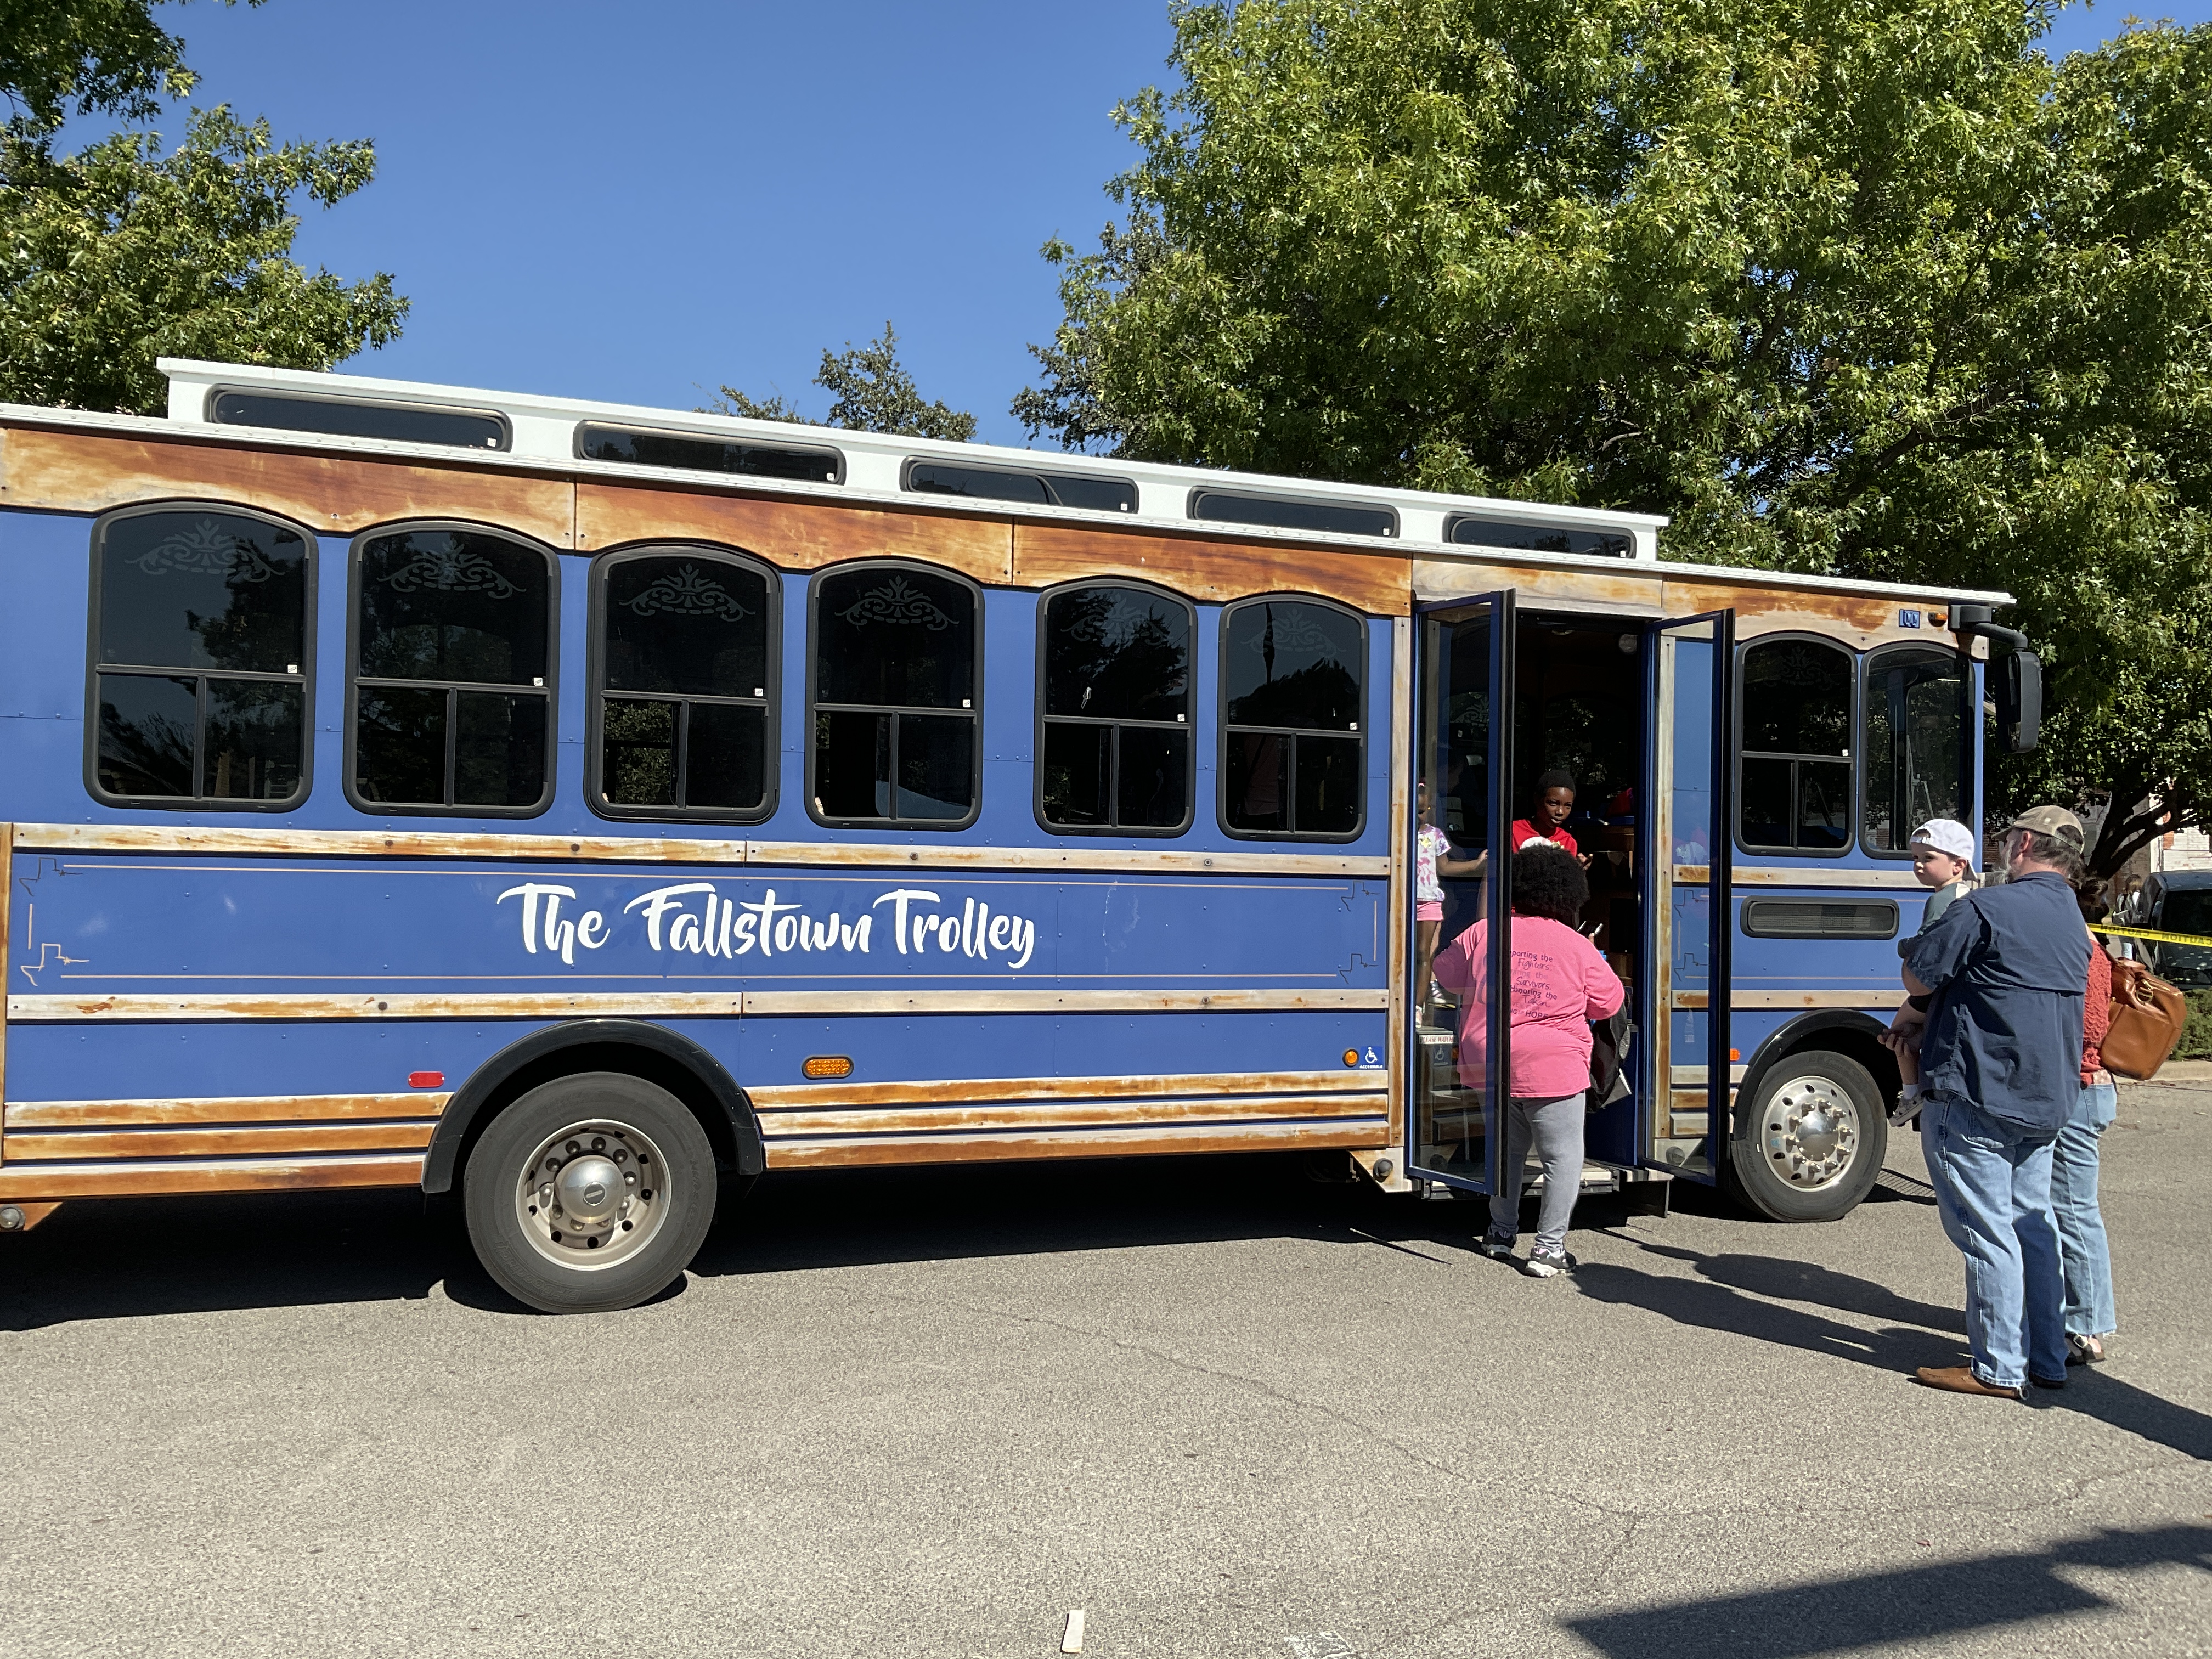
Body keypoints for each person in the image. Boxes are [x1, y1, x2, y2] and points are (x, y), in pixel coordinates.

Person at [1901, 805, 2091, 1400]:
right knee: (2033, 1225)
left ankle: (1998, 1368)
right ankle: (2047, 1357)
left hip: (1980, 1089)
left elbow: (1919, 979)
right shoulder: (2074, 919)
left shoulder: (1985, 907)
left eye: (2010, 838)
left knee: (1987, 1233)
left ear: (2026, 843)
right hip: (2045, 1097)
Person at [1433, 844, 1624, 1278]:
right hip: (1553, 1066)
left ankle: (1500, 1233)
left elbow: (1446, 974)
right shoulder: (1576, 946)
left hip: (1492, 1061)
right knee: (1562, 1157)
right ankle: (1548, 1249)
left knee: (1507, 1152)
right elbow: (1608, 1003)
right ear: (1570, 894)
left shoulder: (1486, 932)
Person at [2050, 874, 2118, 1367]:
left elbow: (2091, 1028)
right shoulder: (2080, 941)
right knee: (2061, 1210)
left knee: (2073, 1212)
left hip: (2081, 1088)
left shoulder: (2085, 949)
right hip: (2078, 1089)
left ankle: (2087, 1325)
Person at [1881, 818, 1979, 1123]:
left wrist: (1905, 946)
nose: (1919, 865)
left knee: (1895, 1033)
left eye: (1928, 858)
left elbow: (1930, 941)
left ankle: (1910, 1095)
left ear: (1958, 864)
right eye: (1915, 858)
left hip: (1932, 988)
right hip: (1955, 986)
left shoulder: (1941, 899)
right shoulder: (1970, 896)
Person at [1413, 780, 1484, 1012]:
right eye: (1414, 810)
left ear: (1430, 809)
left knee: (1424, 953)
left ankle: (1417, 1006)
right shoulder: (1398, 832)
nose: (1418, 816)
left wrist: (1474, 865)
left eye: (1422, 812)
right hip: (1404, 900)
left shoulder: (1435, 836)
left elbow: (1444, 868)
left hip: (1429, 901)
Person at [1510, 770, 1587, 863]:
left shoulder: (1568, 842)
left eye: (1568, 806)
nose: (1560, 812)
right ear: (1537, 800)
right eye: (1553, 804)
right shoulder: (1513, 832)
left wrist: (1579, 871)